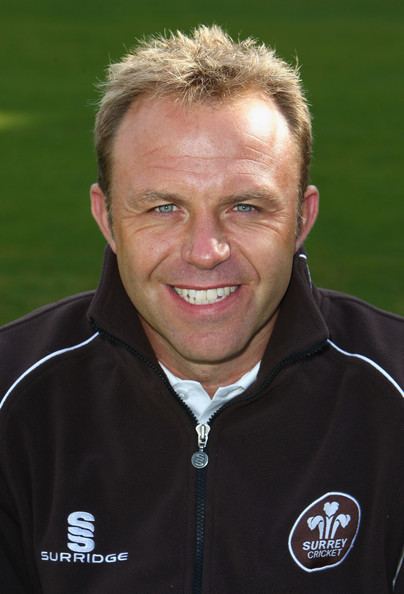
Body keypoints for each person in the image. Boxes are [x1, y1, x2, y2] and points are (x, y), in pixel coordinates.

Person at [0, 25, 403, 594]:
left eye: (245, 206)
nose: (206, 252)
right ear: (107, 217)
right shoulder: (13, 398)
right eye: (164, 207)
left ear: (300, 219)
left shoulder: (394, 398)